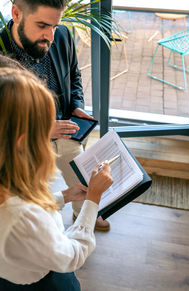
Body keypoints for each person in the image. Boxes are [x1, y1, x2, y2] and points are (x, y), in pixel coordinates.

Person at [0, 0, 110, 231]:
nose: (50, 35)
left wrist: (76, 106)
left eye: (54, 25)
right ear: (17, 13)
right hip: (22, 147)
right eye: (42, 25)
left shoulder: (61, 35)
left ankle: (85, 214)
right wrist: (40, 129)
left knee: (81, 181)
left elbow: (74, 77)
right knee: (31, 200)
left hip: (67, 131)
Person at [0, 67, 113, 290]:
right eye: (46, 130)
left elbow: (25, 208)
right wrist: (92, 200)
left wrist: (64, 196)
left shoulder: (10, 186)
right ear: (23, 141)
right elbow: (71, 255)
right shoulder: (23, 219)